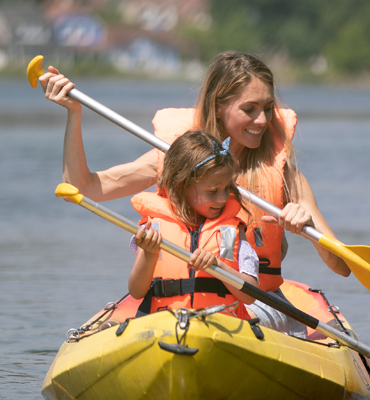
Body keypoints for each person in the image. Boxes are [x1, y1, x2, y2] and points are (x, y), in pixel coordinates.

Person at [41, 51, 347, 337]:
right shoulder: (174, 161)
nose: (263, 121)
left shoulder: (284, 174)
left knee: (216, 321)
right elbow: (82, 189)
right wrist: (74, 114)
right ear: (218, 106)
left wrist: (306, 227)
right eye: (249, 109)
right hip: (179, 303)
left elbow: (341, 266)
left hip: (258, 301)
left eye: (268, 109)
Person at [129, 130, 257, 319]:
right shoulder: (153, 228)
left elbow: (250, 295)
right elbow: (136, 291)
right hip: (165, 324)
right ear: (181, 185)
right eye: (213, 191)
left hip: (221, 325)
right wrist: (149, 254)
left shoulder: (232, 231)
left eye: (226, 188)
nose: (222, 198)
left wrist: (218, 266)